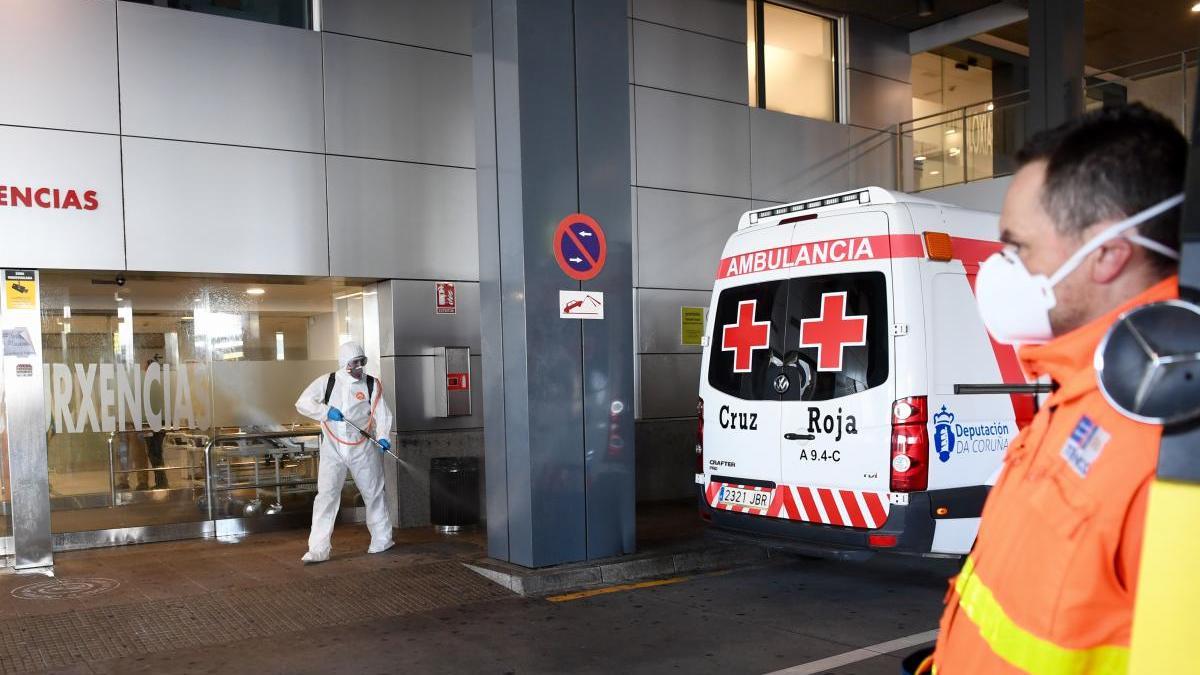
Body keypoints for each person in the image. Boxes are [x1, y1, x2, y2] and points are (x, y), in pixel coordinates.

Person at [930, 103, 1186, 673]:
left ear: (1108, 254)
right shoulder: (1084, 388)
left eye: (1016, 248)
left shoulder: (1172, 438)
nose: (998, 270)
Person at [295, 341, 395, 563]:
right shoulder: (328, 382)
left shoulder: (371, 384)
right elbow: (302, 403)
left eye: (362, 362)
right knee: (326, 497)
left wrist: (384, 436)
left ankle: (382, 539)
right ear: (344, 363)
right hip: (333, 449)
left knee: (374, 493)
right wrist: (326, 411)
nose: (359, 367)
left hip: (363, 448)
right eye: (354, 363)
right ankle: (318, 549)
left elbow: (382, 413)